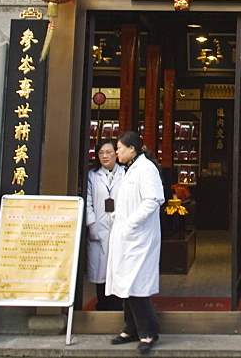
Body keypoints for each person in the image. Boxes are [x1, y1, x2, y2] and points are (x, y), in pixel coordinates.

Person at [106, 131, 165, 353]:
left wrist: (130, 223)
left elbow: (153, 200)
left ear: (132, 149)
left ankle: (149, 332)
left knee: (136, 285)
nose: (117, 152)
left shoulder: (146, 169)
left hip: (139, 237)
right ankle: (131, 328)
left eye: (119, 148)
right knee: (125, 284)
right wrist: (117, 218)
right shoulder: (128, 169)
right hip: (126, 236)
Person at [85, 137, 126, 311]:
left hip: (119, 225)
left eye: (109, 152)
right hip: (99, 227)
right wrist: (92, 223)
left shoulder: (126, 173)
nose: (105, 156)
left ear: (116, 154)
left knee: (118, 267)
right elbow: (88, 201)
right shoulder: (92, 176)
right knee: (100, 269)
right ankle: (102, 304)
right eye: (101, 153)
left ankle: (118, 304)